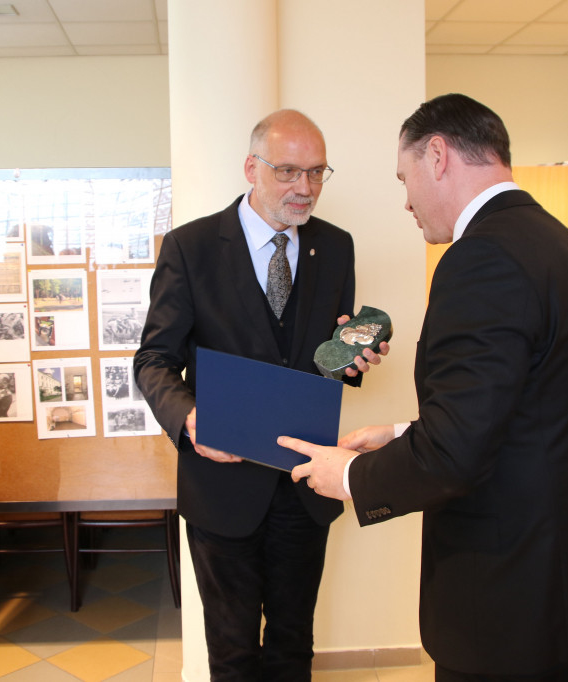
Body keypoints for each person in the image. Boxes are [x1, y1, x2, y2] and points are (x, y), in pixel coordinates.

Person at [277, 94, 568, 681]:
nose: (406, 200)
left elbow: (458, 454)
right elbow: (532, 411)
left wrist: (346, 475)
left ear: (438, 155)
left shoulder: (481, 259)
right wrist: (399, 434)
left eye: (405, 177)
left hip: (508, 590)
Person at [134, 109, 384, 681]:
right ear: (251, 167)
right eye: (289, 172)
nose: (306, 189)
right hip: (222, 486)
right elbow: (153, 360)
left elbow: (324, 360)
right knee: (232, 652)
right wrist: (189, 418)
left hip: (306, 481)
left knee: (294, 645)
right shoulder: (190, 247)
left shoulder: (336, 247)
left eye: (318, 173)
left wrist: (355, 361)